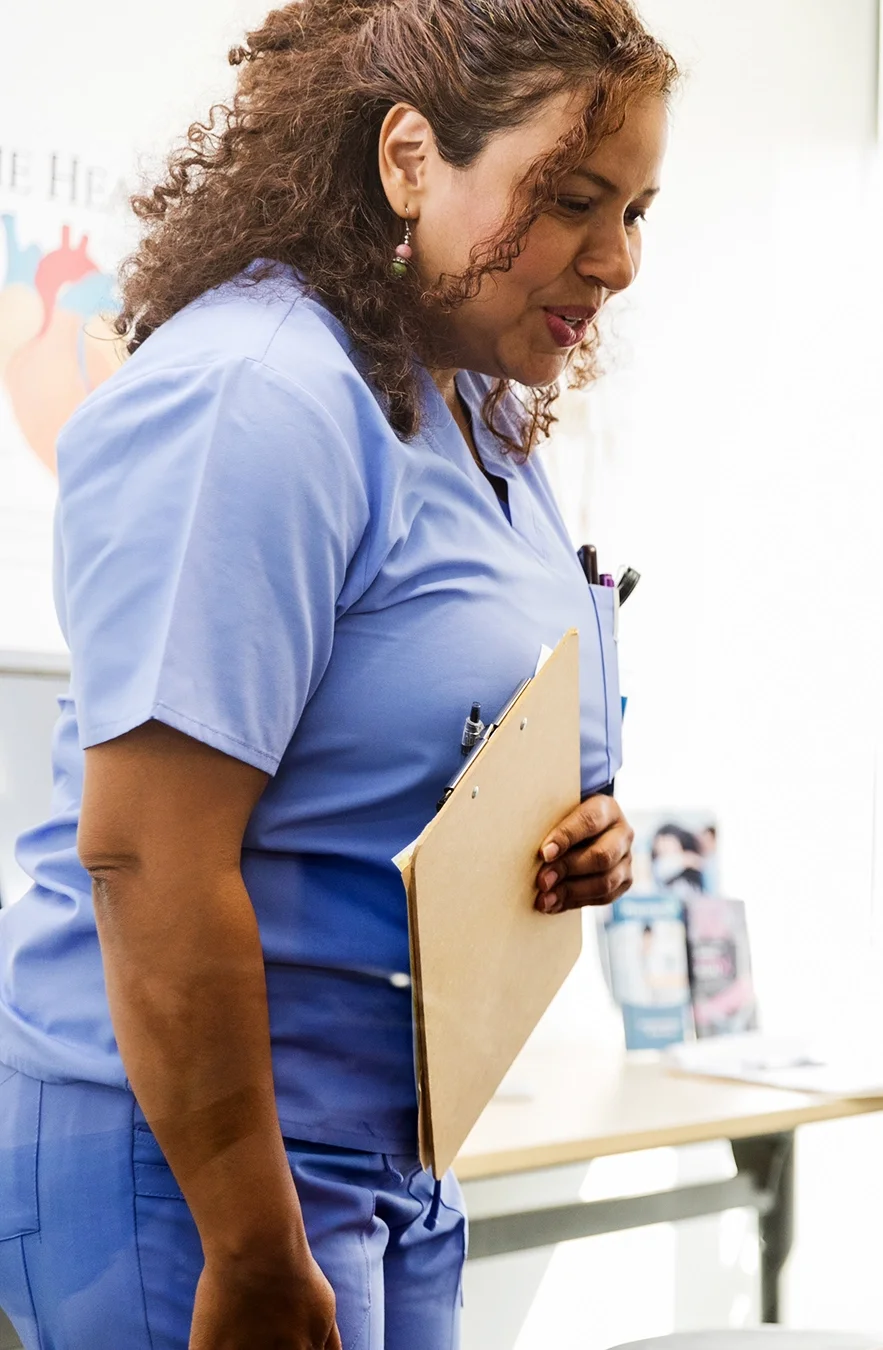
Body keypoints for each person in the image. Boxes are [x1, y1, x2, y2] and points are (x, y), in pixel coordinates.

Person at [0, 3, 677, 1347]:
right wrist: (252, 1240)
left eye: (637, 210)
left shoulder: (473, 407)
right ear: (410, 159)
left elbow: (424, 743)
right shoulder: (257, 394)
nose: (616, 260)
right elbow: (145, 856)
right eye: (571, 200)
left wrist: (569, 833)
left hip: (389, 1146)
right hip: (194, 1159)